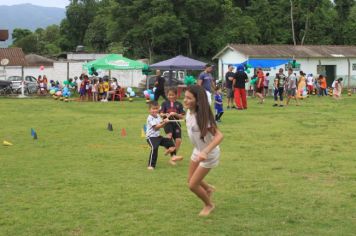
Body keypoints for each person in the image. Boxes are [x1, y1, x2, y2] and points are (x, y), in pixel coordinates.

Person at [184, 85, 224, 216]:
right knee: (190, 179)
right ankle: (208, 188)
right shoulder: (189, 112)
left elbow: (219, 136)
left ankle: (209, 205)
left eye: (189, 98)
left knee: (192, 185)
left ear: (198, 100)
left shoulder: (203, 118)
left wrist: (205, 151)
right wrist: (173, 116)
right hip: (198, 150)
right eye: (185, 97)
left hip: (209, 154)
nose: (185, 100)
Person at [146, 101, 183, 170]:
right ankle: (151, 165)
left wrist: (167, 118)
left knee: (171, 143)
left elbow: (162, 123)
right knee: (154, 148)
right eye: (153, 109)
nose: (155, 110)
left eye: (156, 109)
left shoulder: (158, 117)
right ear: (149, 110)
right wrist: (164, 123)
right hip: (151, 137)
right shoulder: (150, 118)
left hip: (158, 137)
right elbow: (156, 127)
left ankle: (173, 156)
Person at [160, 88, 185, 164]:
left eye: (172, 95)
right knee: (169, 136)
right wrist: (165, 114)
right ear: (167, 95)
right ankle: (170, 152)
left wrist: (175, 114)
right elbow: (161, 114)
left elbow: (182, 116)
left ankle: (172, 156)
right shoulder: (164, 103)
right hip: (167, 122)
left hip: (176, 123)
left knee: (178, 140)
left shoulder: (179, 104)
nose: (171, 96)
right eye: (169, 95)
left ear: (176, 95)